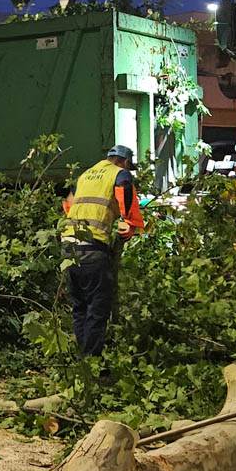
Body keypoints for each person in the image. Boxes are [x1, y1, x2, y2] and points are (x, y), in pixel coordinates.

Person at [59, 145, 145, 357]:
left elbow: (69, 205)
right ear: (123, 161)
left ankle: (83, 360)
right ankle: (92, 362)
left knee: (80, 308)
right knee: (97, 310)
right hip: (93, 247)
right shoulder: (119, 173)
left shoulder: (86, 176)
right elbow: (124, 189)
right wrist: (128, 222)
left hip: (68, 246)